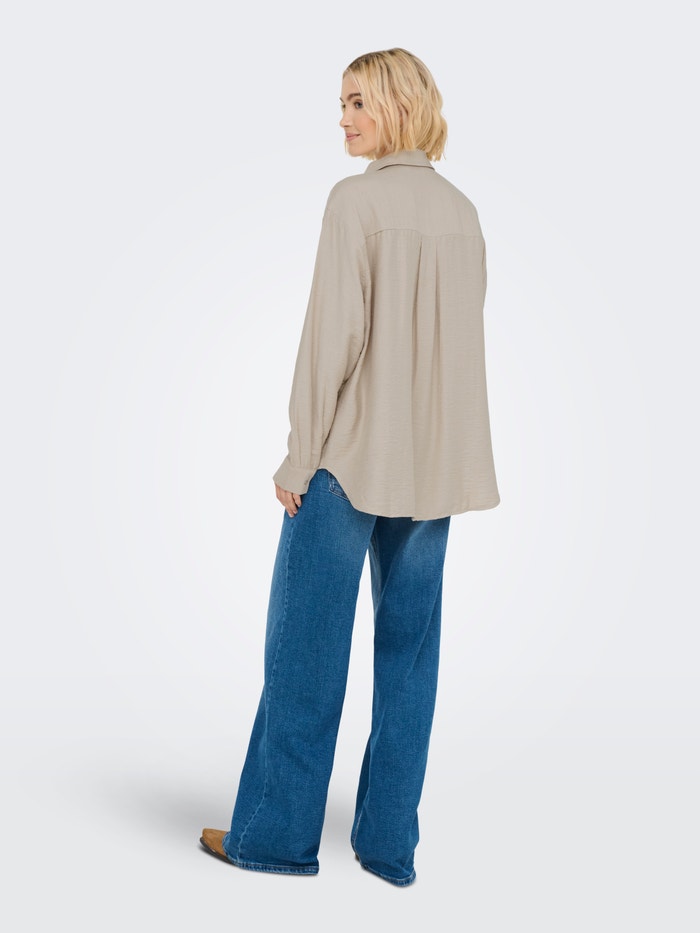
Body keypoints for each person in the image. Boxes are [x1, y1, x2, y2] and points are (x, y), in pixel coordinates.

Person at [200, 47, 500, 887]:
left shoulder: (355, 202)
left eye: (358, 101)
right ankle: (389, 846)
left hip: (348, 463)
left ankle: (274, 836)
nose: (343, 118)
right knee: (411, 660)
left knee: (304, 654)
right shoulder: (464, 212)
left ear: (400, 105)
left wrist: (300, 456)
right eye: (342, 103)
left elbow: (333, 339)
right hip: (435, 472)